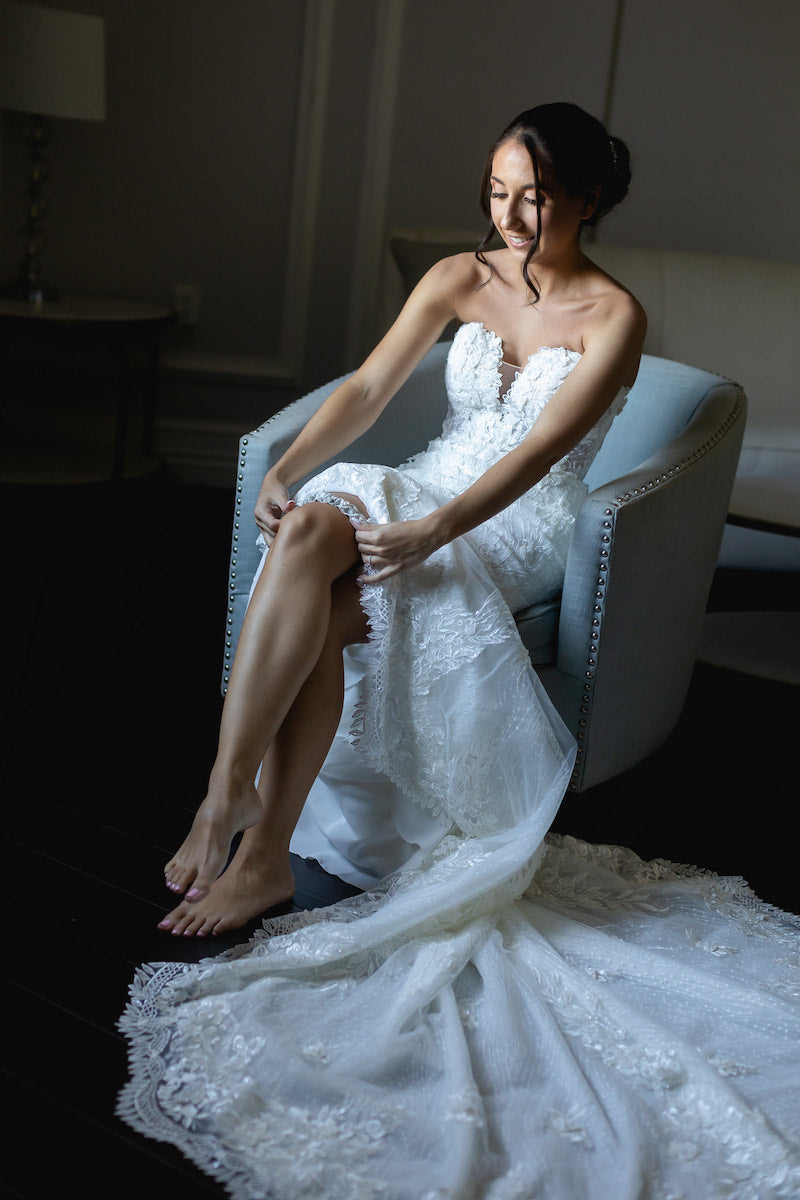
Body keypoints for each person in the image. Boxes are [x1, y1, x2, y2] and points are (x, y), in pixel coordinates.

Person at [119, 104, 800, 1200]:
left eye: (534, 195)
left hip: (513, 527)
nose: (512, 215)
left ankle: (246, 830)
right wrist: (293, 463)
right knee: (313, 539)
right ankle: (234, 810)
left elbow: (539, 453)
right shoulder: (454, 277)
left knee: (346, 570)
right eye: (496, 192)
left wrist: (437, 528)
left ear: (586, 197)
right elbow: (369, 388)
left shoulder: (613, 314)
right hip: (428, 484)